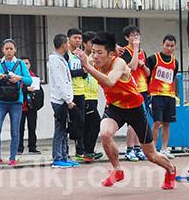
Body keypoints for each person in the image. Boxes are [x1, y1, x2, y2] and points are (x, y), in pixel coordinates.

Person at [74, 32, 177, 189]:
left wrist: (87, 66)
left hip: (135, 109)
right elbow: (89, 55)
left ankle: (170, 170)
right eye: (93, 52)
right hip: (115, 107)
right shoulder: (93, 59)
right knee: (105, 134)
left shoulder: (119, 63)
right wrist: (87, 58)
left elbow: (109, 82)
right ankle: (117, 170)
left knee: (150, 155)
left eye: (99, 53)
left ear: (110, 54)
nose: (94, 56)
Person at [0, 39, 32, 167]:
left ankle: (12, 157)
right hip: (0, 102)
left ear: (15, 50)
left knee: (15, 131)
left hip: (16, 102)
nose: (9, 51)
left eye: (11, 48)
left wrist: (19, 78)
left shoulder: (20, 64)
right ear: (3, 50)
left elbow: (29, 81)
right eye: (6, 49)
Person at [146, 35, 179, 160]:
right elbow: (147, 75)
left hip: (170, 95)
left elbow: (173, 76)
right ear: (162, 44)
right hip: (156, 95)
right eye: (167, 45)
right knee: (157, 122)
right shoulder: (154, 58)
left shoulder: (175, 62)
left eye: (172, 46)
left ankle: (164, 148)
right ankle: (153, 149)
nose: (169, 48)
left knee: (167, 123)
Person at [48, 34, 78, 168]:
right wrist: (68, 100)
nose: (69, 44)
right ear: (62, 45)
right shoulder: (55, 61)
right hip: (60, 101)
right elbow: (60, 82)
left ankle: (64, 156)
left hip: (65, 100)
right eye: (67, 42)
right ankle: (57, 158)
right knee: (59, 129)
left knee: (65, 129)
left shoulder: (61, 59)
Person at [121, 25, 148, 162]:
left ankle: (138, 148)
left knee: (141, 120)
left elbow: (147, 72)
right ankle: (129, 149)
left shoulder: (143, 52)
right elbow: (131, 67)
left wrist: (144, 65)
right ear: (127, 38)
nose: (135, 37)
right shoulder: (125, 51)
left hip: (143, 89)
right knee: (132, 121)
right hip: (131, 89)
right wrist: (136, 50)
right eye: (132, 35)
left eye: (137, 34)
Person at [64, 28, 89, 162]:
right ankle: (65, 151)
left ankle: (80, 151)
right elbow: (66, 72)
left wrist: (83, 70)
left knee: (81, 122)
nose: (78, 40)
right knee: (68, 122)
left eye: (80, 38)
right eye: (75, 38)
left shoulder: (81, 54)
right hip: (69, 93)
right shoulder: (66, 54)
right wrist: (81, 71)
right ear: (68, 39)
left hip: (81, 92)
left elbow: (86, 72)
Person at [82, 31, 103, 161]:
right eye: (91, 43)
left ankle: (88, 151)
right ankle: (87, 151)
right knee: (95, 123)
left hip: (93, 96)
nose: (94, 46)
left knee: (90, 124)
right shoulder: (83, 57)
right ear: (85, 44)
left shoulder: (96, 58)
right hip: (85, 96)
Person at [18, 56, 42, 155]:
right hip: (20, 107)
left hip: (31, 106)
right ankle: (19, 148)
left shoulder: (34, 76)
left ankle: (32, 147)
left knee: (32, 127)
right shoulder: (17, 77)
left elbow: (39, 92)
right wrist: (25, 90)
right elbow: (15, 91)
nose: (25, 65)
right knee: (19, 129)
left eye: (27, 63)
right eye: (23, 63)